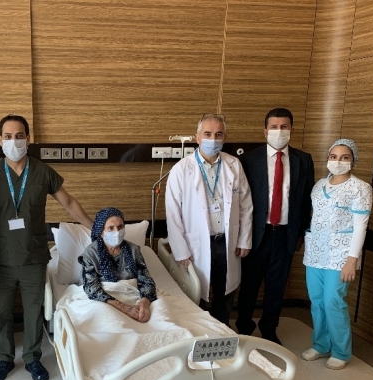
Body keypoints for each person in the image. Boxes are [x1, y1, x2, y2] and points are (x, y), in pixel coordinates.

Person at [0, 114, 93, 380]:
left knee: (33, 310)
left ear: (28, 139)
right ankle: (4, 359)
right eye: (7, 136)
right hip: (1, 256)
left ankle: (32, 357)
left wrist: (93, 227)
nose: (13, 141)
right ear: (0, 140)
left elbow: (69, 203)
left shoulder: (42, 171)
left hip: (33, 255)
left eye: (19, 136)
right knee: (2, 311)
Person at [235, 107, 315, 344]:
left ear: (291, 129)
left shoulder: (303, 160)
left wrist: (301, 233)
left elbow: (306, 199)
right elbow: (240, 200)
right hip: (255, 234)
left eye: (284, 127)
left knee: (276, 286)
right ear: (265, 131)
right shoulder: (248, 160)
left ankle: (269, 328)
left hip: (285, 234)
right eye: (274, 127)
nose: (279, 131)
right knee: (249, 285)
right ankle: (244, 327)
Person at [165, 113, 253, 326]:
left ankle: (223, 330)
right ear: (198, 138)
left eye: (218, 134)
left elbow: (246, 205)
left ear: (224, 138)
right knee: (198, 293)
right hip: (195, 244)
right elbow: (172, 213)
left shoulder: (234, 165)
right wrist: (180, 251)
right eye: (207, 134)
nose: (213, 139)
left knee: (225, 292)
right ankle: (200, 333)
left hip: (227, 241)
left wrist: (244, 240)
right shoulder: (181, 169)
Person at [301, 139, 372, 370]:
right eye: (333, 157)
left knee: (333, 301)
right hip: (315, 252)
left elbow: (360, 226)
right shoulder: (319, 185)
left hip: (341, 255)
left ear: (353, 161)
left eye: (344, 157)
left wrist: (352, 260)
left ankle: (341, 351)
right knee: (317, 301)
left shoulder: (360, 188)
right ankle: (321, 344)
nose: (338, 161)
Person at [79, 207, 157, 322]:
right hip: (104, 300)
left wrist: (144, 304)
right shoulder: (90, 254)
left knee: (159, 315)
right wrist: (125, 308)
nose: (117, 232)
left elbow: (146, 280)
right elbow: (92, 289)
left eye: (120, 227)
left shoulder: (134, 250)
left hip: (133, 295)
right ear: (101, 232)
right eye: (111, 228)